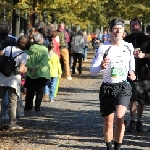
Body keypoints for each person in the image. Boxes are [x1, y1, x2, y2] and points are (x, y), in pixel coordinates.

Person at [90, 18, 136, 150]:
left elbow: (131, 63)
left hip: (123, 87)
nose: (117, 31)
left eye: (120, 29)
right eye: (115, 29)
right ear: (110, 30)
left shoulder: (129, 46)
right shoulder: (103, 48)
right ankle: (109, 147)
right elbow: (92, 72)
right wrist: (100, 66)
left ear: (123, 32)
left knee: (120, 119)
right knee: (108, 122)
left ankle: (117, 148)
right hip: (107, 87)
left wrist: (132, 72)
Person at [124, 18, 150, 132]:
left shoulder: (146, 39)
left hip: (144, 72)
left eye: (136, 25)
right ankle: (132, 121)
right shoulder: (126, 40)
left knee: (142, 99)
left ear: (140, 26)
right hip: (130, 72)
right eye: (132, 25)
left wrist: (144, 55)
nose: (134, 27)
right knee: (132, 98)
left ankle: (139, 121)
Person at [0, 35, 30, 130]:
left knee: (0, 100)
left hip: (1, 77)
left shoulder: (8, 48)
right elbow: (21, 70)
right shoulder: (23, 55)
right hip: (13, 79)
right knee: (12, 102)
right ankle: (12, 123)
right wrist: (26, 69)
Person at [24, 32, 50, 111]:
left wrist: (30, 67)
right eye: (42, 38)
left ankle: (28, 107)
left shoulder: (29, 49)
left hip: (30, 73)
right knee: (40, 91)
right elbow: (44, 62)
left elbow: (25, 59)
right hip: (41, 73)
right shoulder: (44, 49)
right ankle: (37, 107)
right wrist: (36, 67)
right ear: (40, 40)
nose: (43, 39)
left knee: (30, 91)